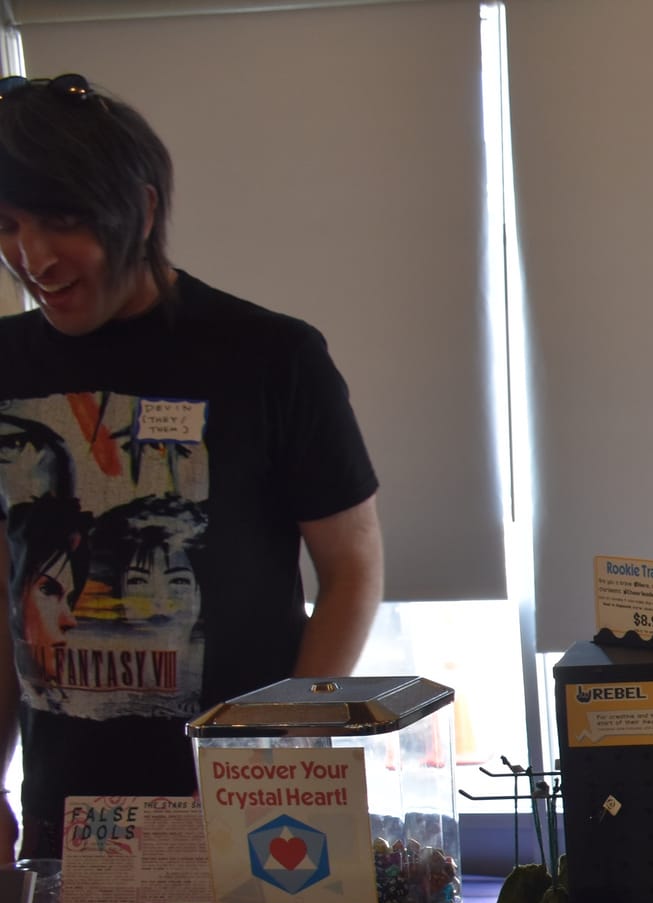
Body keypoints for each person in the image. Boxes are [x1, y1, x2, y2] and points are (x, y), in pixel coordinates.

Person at [0, 73, 383, 859]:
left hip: (251, 808)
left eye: (61, 221)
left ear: (139, 211)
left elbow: (351, 569)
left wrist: (283, 758)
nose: (31, 257)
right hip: (68, 818)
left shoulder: (271, 356)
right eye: (7, 225)